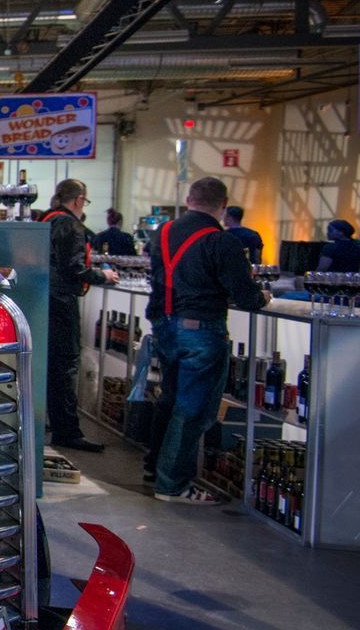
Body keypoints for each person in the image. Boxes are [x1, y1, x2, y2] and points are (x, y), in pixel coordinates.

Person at [146, 177, 269, 505]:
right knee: (193, 409)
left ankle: (154, 468)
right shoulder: (221, 241)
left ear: (189, 199)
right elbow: (246, 296)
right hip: (201, 328)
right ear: (223, 205)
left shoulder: (163, 233)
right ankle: (172, 484)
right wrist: (263, 297)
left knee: (170, 399)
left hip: (165, 325)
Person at [40, 179, 117, 453]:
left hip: (44, 301)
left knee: (49, 366)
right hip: (62, 303)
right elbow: (74, 268)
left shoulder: (44, 219)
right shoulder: (70, 225)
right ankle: (67, 431)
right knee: (65, 366)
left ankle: (50, 422)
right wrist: (103, 275)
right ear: (78, 200)